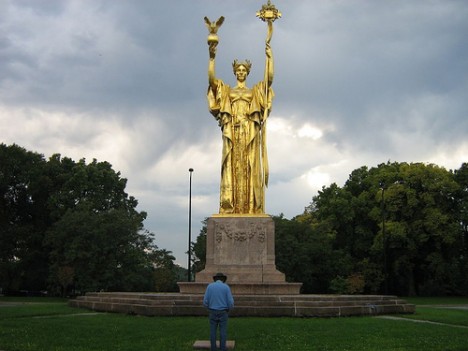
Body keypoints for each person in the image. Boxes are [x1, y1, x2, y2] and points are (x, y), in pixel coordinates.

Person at [207, 34, 274, 215]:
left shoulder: (255, 91)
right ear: (235, 72)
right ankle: (230, 206)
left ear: (247, 72)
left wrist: (270, 57)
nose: (241, 72)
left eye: (244, 70)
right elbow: (212, 81)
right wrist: (212, 57)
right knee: (232, 166)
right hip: (233, 132)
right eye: (239, 70)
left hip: (250, 132)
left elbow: (269, 81)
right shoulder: (228, 90)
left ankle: (251, 207)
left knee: (250, 166)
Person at [203, 272, 235, 351]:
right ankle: (222, 348)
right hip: (223, 311)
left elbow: (205, 301)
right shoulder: (226, 287)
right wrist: (229, 308)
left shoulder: (210, 286)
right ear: (223, 279)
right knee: (223, 331)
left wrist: (208, 308)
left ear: (215, 279)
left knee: (212, 331)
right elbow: (230, 302)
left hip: (212, 311)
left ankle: (213, 348)